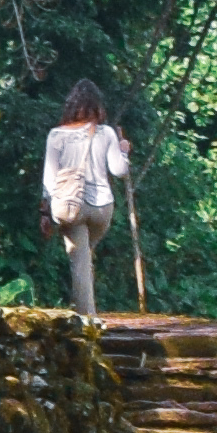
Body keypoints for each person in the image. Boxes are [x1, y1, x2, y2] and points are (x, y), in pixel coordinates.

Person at [43, 82, 138, 322]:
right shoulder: (105, 133)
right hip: (101, 207)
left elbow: (48, 179)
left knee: (80, 259)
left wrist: (45, 211)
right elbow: (118, 170)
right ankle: (84, 308)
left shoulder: (56, 135)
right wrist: (124, 150)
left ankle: (87, 320)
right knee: (84, 256)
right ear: (98, 107)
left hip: (69, 206)